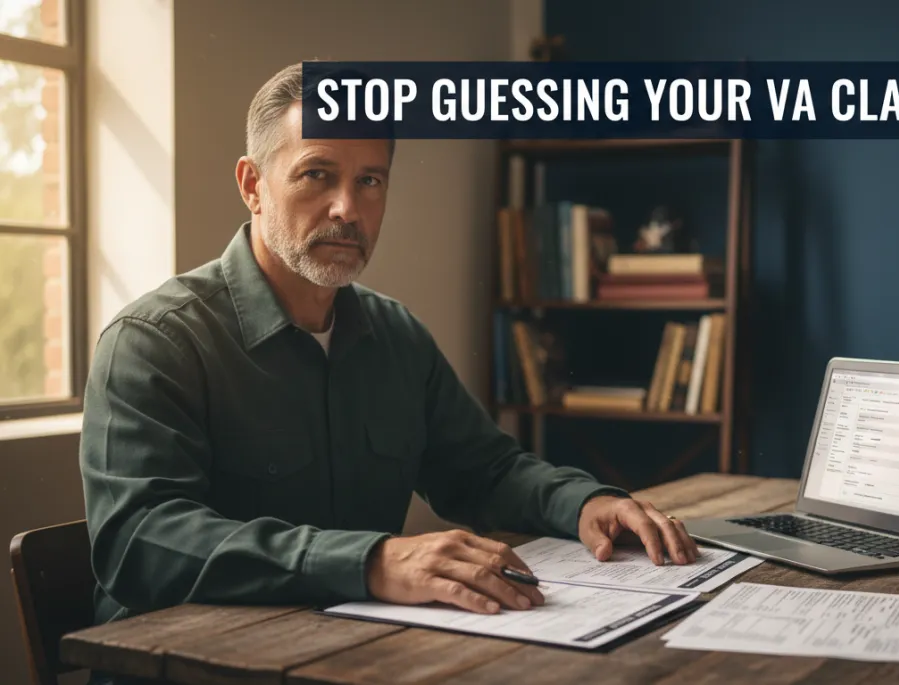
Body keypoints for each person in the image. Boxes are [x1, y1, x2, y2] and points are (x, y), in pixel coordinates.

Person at [78, 61, 699, 641]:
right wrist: (372, 560)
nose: (348, 209)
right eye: (317, 173)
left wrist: (588, 501)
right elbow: (139, 543)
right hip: (187, 662)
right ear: (253, 185)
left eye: (370, 181)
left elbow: (485, 471)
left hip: (352, 650)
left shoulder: (396, 335)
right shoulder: (154, 341)